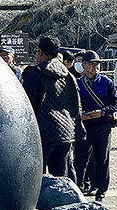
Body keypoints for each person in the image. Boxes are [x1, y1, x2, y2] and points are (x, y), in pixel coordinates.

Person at [22, 36, 83, 180]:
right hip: (66, 131)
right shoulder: (68, 75)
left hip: (43, 132)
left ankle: (42, 203)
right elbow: (76, 103)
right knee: (61, 176)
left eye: (37, 52)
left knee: (37, 178)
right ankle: (63, 202)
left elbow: (28, 106)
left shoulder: (34, 74)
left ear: (41, 52)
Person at [74, 50, 117, 203]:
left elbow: (116, 106)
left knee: (102, 158)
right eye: (92, 64)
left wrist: (102, 112)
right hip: (84, 126)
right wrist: (81, 115)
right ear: (84, 65)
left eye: (97, 64)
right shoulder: (77, 83)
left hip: (103, 125)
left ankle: (101, 189)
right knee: (80, 159)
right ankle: (78, 187)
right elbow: (71, 107)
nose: (95, 67)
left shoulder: (107, 82)